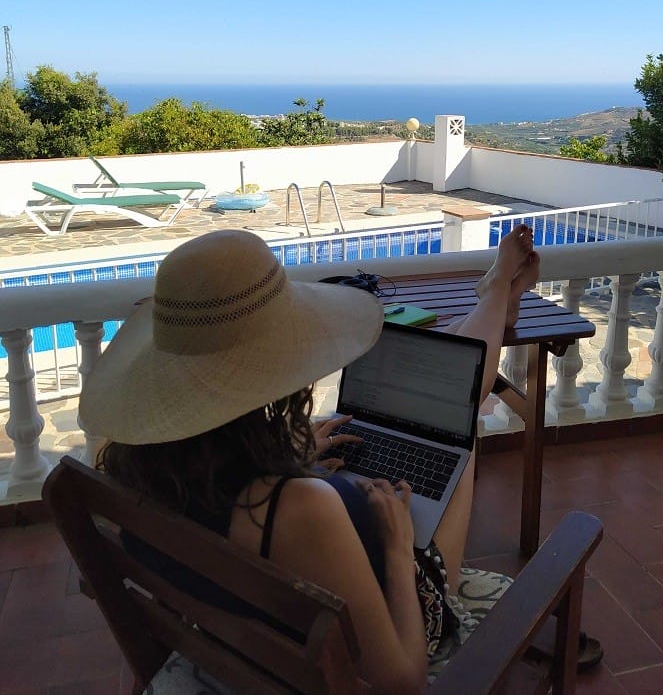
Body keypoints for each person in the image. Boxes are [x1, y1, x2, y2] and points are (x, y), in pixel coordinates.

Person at [80, 226, 541, 695]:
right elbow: (402, 682)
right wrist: (400, 550)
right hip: (393, 609)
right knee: (457, 433)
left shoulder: (132, 470)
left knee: (435, 409)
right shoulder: (300, 507)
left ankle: (493, 296)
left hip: (246, 619)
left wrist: (294, 456)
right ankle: (497, 292)